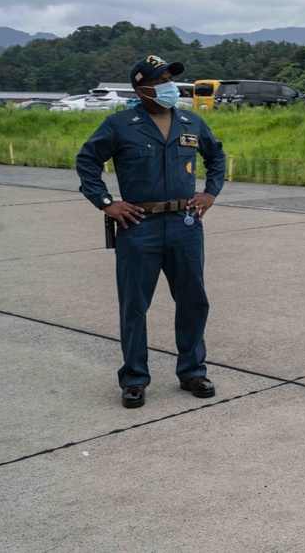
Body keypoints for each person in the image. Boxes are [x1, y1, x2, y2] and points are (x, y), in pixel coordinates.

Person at [76, 55, 227, 409]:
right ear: (141, 87)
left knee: (193, 301)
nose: (170, 86)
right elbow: (87, 161)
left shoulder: (191, 121)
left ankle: (192, 370)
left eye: (172, 78)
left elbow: (216, 156)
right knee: (134, 305)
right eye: (162, 80)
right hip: (138, 226)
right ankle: (134, 378)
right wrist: (106, 202)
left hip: (185, 224)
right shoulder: (120, 125)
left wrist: (210, 191)